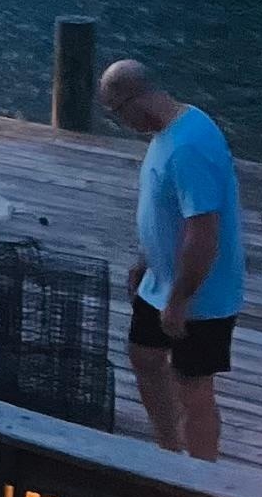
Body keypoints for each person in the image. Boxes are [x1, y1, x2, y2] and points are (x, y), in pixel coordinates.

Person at [98, 58, 246, 462]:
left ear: (135, 102)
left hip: (200, 293)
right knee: (144, 356)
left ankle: (200, 479)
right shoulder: (173, 128)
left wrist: (180, 300)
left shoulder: (188, 148)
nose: (120, 123)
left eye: (116, 114)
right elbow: (167, 211)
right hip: (161, 280)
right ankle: (167, 449)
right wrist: (146, 260)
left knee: (194, 385)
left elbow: (204, 233)